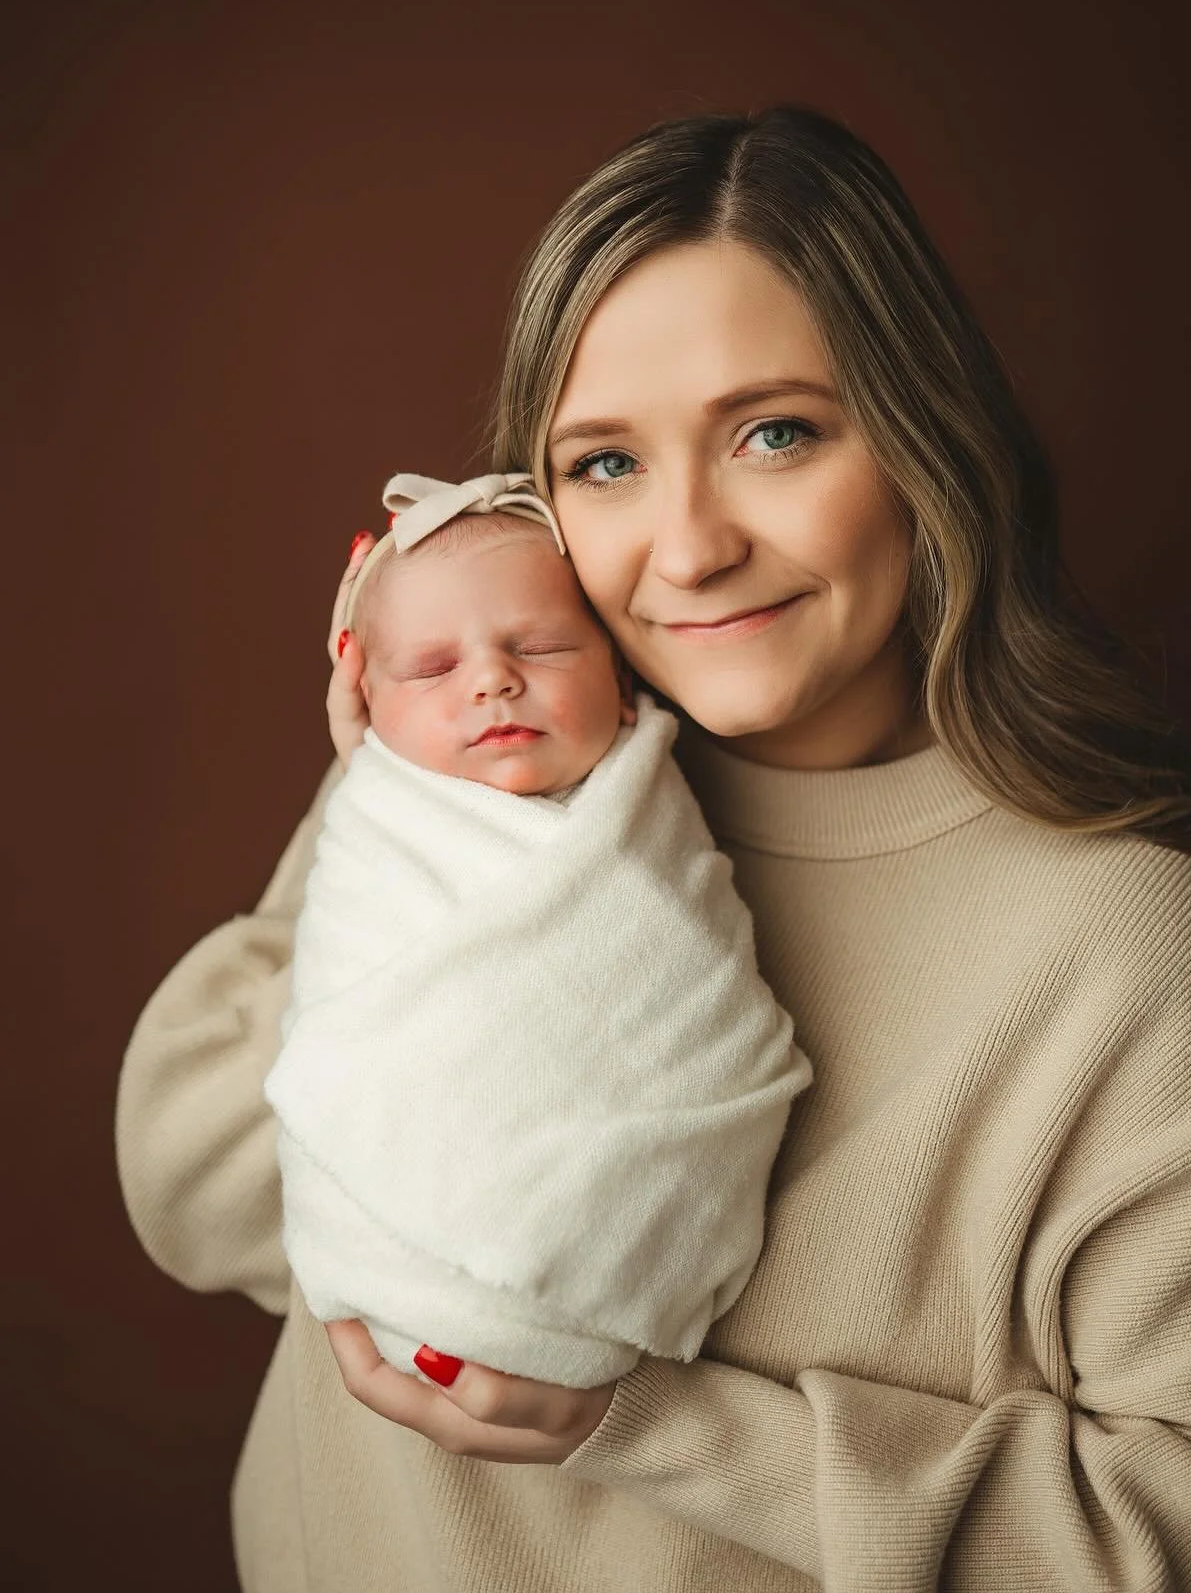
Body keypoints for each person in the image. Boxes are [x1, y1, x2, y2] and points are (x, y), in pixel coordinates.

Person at [115, 105, 1191, 1593]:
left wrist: (657, 1426)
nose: (686, 546)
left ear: (924, 448)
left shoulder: (1114, 947)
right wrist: (379, 804)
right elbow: (195, 1196)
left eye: (775, 434)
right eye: (607, 464)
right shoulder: (485, 784)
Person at [264, 466, 812, 1389]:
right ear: (367, 698)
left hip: (616, 1287)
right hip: (385, 1277)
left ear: (626, 679)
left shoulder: (653, 825)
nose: (492, 681)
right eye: (433, 669)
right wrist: (368, 784)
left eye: (545, 647)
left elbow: (706, 1026)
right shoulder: (378, 832)